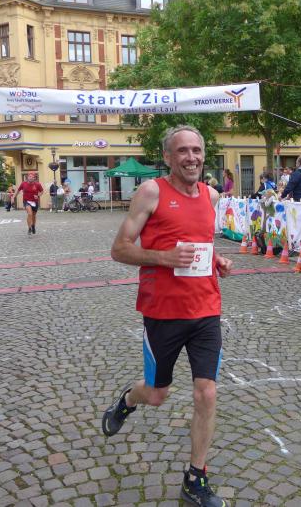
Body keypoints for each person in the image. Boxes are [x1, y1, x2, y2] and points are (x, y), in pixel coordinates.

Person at [104, 125, 233, 507]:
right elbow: (119, 249)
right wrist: (163, 257)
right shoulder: (151, 192)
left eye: (196, 150)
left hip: (206, 309)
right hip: (163, 312)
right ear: (168, 157)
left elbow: (200, 243)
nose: (191, 157)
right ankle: (128, 401)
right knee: (157, 394)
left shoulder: (211, 195)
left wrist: (217, 260)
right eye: (182, 151)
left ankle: (195, 477)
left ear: (204, 155)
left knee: (206, 392)